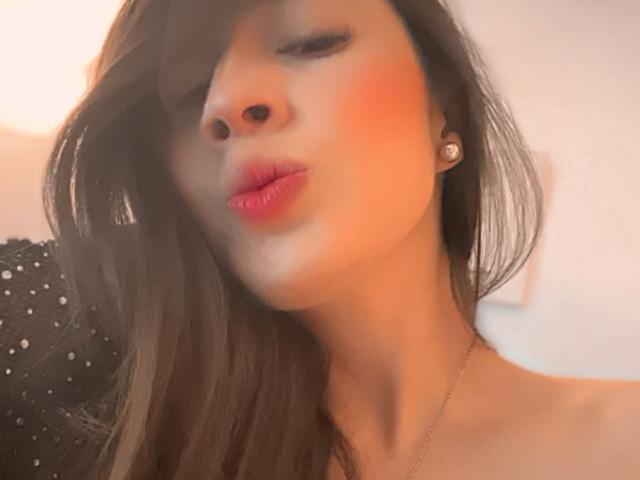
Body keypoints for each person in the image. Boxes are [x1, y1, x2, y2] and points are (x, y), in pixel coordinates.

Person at [1, 0, 638, 479]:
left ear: (439, 106)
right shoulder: (81, 375)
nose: (224, 103)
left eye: (311, 42)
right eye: (191, 93)